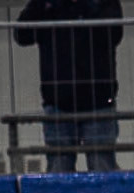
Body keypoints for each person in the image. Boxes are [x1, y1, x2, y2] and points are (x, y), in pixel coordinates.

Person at [14, 0, 124, 172]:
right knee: (61, 169)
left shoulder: (102, 3)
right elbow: (22, 35)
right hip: (62, 102)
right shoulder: (46, 5)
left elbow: (114, 34)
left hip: (96, 101)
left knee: (101, 168)